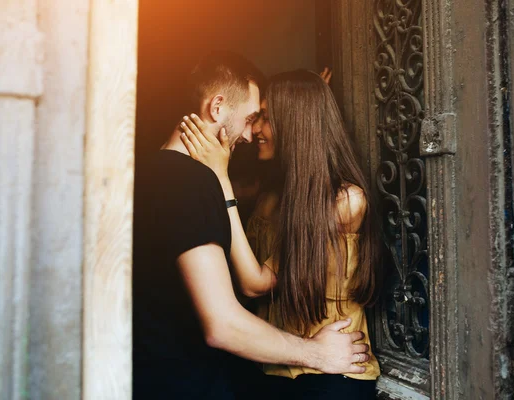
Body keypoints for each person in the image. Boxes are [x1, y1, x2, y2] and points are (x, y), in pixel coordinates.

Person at [133, 53, 371, 399]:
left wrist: (309, 100)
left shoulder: (151, 171)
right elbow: (224, 324)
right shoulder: (192, 183)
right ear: (217, 108)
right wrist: (315, 352)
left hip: (327, 373)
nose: (251, 132)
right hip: (196, 380)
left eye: (264, 119)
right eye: (251, 117)